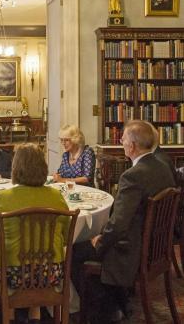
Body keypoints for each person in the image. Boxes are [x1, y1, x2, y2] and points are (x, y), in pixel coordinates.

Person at [71, 120, 176, 324]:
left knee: (75, 250)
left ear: (132, 146)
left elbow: (118, 225)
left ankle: (102, 312)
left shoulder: (133, 176)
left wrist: (99, 241)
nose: (121, 141)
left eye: (124, 138)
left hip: (131, 252)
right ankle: (117, 301)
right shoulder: (162, 166)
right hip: (155, 249)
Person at [0, 143, 70, 323]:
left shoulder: (3, 198)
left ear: (16, 168)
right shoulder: (57, 196)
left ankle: (10, 316)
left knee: (5, 264)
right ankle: (35, 316)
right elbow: (67, 233)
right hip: (51, 273)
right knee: (39, 259)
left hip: (13, 274)